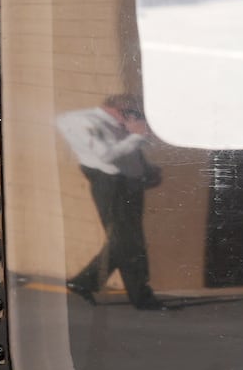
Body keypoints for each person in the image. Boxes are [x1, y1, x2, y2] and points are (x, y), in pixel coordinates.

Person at [55, 93, 166, 310]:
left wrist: (145, 169)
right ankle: (133, 294)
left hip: (129, 184)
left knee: (128, 240)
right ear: (118, 109)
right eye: (131, 113)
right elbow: (106, 154)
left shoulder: (119, 124)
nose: (134, 117)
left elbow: (128, 153)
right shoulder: (85, 122)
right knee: (126, 241)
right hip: (111, 183)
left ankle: (131, 294)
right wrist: (136, 135)